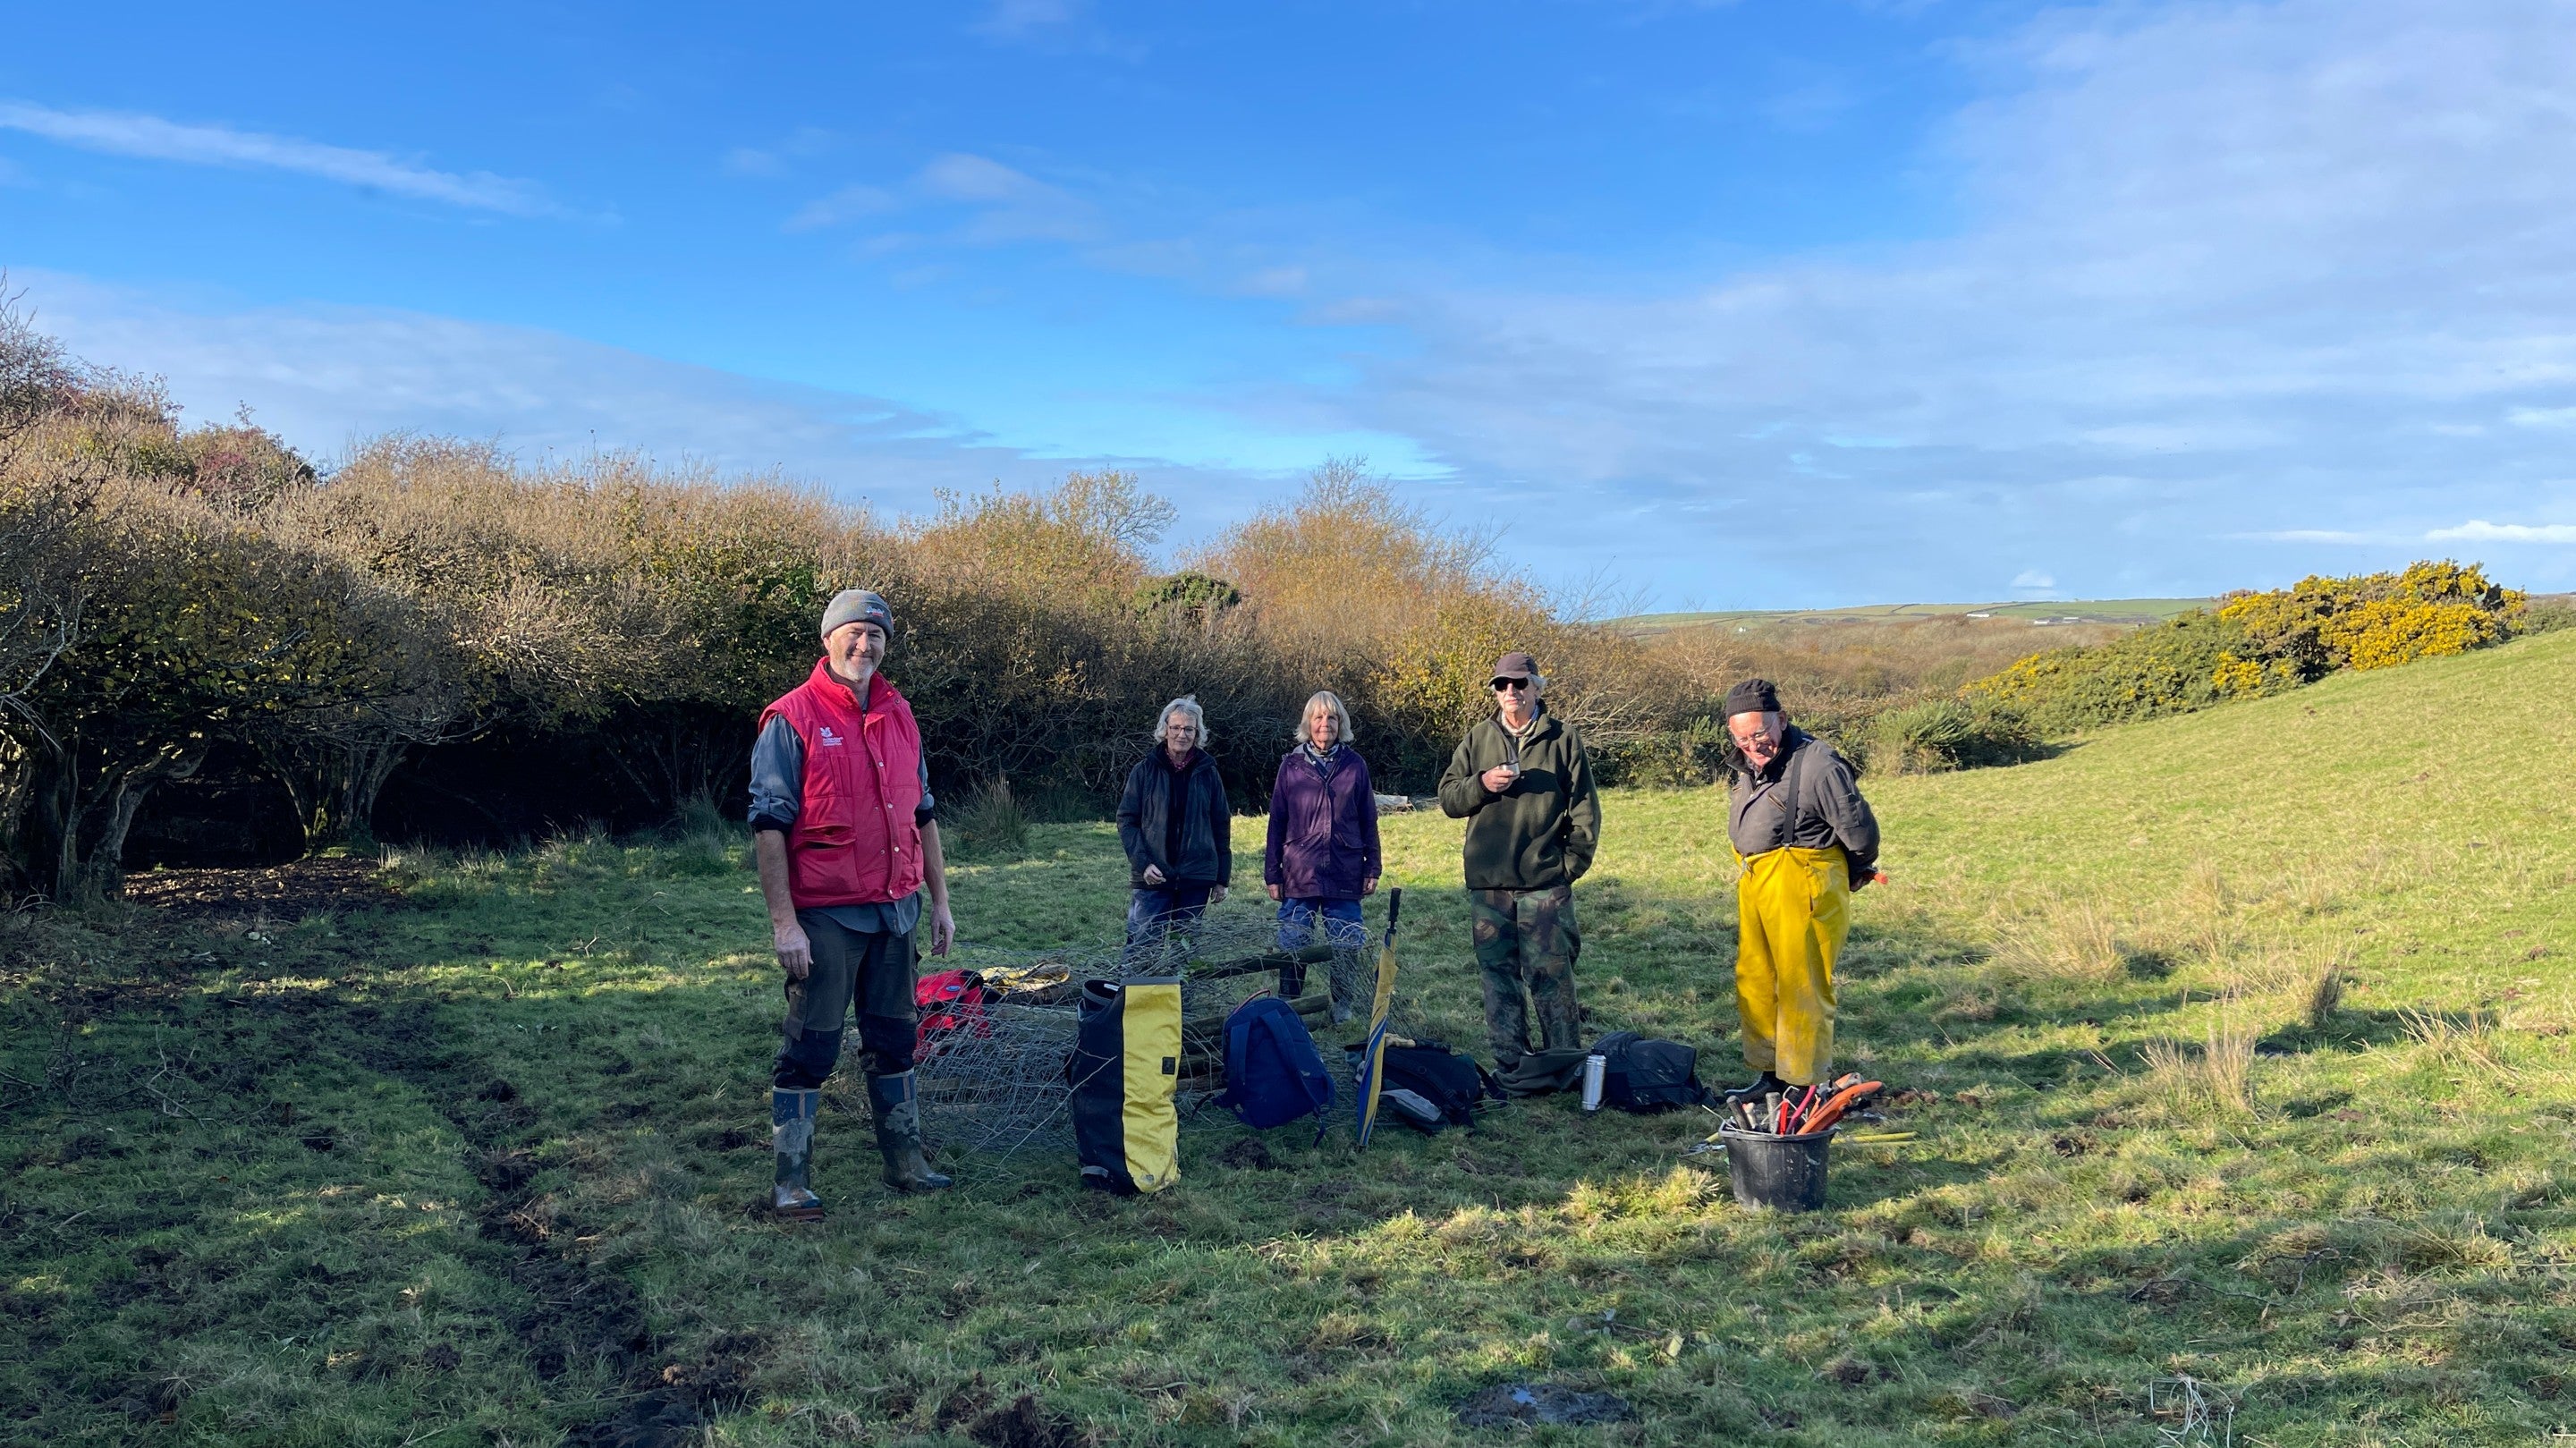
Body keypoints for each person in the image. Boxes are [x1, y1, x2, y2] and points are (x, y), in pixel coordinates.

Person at [750, 589, 959, 1221]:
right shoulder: (790, 718)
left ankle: (906, 1162)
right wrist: (785, 923)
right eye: (853, 633)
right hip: (826, 914)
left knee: (895, 1038)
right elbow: (768, 827)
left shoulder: (900, 713)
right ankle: (791, 1181)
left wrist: (940, 899)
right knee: (812, 1044)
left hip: (896, 910)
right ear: (828, 638)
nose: (864, 645)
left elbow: (923, 814)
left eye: (876, 636)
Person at [1436, 651, 1602, 1072]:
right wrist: (1482, 784)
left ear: (1536, 687)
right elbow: (1449, 798)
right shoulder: (1477, 738)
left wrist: (1567, 868)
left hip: (1543, 884)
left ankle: (1563, 1064)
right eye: (1502, 685)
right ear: (1495, 692)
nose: (1511, 691)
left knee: (1552, 976)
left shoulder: (1563, 739)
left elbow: (1585, 810)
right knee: (1498, 978)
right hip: (1489, 885)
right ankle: (1511, 1064)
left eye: (1519, 683)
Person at [1721, 677, 1879, 1105]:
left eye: (1759, 733)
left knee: (1802, 985)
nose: (1752, 744)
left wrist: (1857, 869)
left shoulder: (1818, 764)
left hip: (1803, 879)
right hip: (1757, 879)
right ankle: (1771, 1076)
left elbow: (1860, 830)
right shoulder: (1747, 763)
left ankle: (1803, 1085)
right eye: (1741, 737)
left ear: (1783, 720)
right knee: (1756, 979)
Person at [1263, 690, 1380, 1021]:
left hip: (1345, 870)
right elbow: (1277, 821)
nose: (1324, 724)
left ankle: (1341, 1007)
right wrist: (1273, 873)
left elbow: (1369, 819)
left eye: (1331, 717)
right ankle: (1290, 1007)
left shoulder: (1355, 765)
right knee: (1294, 943)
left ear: (1340, 723)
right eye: (1318, 717)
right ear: (1308, 723)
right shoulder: (1291, 766)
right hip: (1299, 871)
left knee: (1346, 944)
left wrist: (1373, 865)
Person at [1117, 696, 1232, 959]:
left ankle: (1183, 1001)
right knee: (1143, 950)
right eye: (1176, 727)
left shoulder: (1209, 772)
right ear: (1164, 730)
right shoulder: (1144, 770)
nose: (1182, 734)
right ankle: (1141, 1001)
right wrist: (1143, 863)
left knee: (1185, 954)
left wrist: (1221, 878)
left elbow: (1221, 824)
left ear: (1197, 733)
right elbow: (1127, 820)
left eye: (1189, 729)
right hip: (1153, 877)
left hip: (1196, 878)